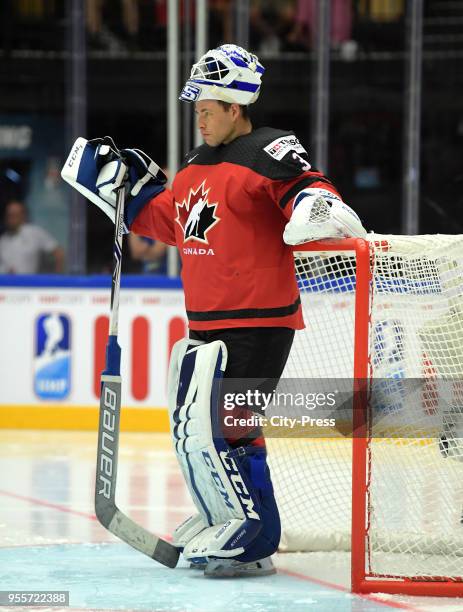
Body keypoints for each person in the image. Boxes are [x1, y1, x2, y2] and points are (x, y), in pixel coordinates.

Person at [62, 44, 366, 577]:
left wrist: (315, 207)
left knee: (231, 427)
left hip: (260, 320)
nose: (199, 117)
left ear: (234, 107)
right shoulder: (195, 165)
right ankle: (223, 513)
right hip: (204, 323)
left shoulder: (266, 148)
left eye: (207, 108)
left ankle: (257, 534)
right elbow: (174, 224)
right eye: (196, 108)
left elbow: (309, 188)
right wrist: (127, 195)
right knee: (193, 428)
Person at [0, 200, 64, 274]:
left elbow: (59, 254)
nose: (11, 219)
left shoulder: (35, 233)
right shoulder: (3, 240)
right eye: (9, 215)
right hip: (6, 284)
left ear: (23, 215)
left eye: (15, 215)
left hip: (30, 283)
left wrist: (56, 280)